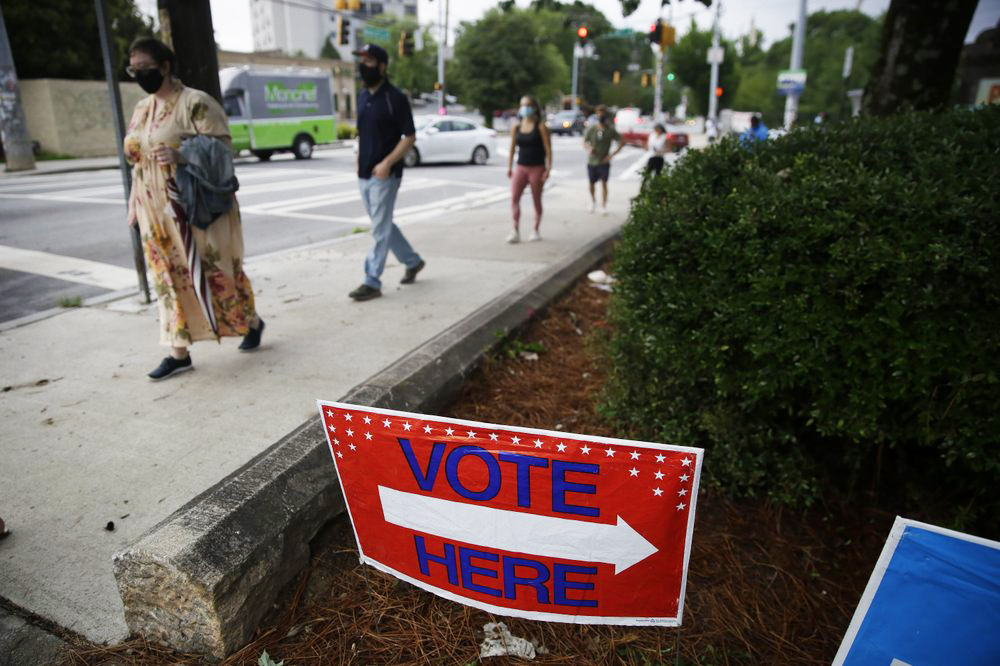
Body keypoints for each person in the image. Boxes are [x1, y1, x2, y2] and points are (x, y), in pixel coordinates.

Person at [124, 37, 264, 381]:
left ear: (165, 66)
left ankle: (252, 322)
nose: (140, 74)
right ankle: (178, 352)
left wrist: (182, 155)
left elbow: (223, 152)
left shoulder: (195, 103)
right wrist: (133, 205)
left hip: (195, 208)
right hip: (154, 209)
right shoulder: (142, 108)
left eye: (145, 67)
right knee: (167, 278)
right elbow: (137, 163)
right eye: (134, 69)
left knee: (218, 271)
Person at [348, 43, 425, 302]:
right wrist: (360, 155)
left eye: (369, 62)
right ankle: (412, 261)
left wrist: (387, 163)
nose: (364, 66)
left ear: (382, 66)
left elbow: (409, 136)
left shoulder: (395, 98)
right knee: (383, 225)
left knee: (379, 229)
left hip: (385, 175)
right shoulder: (362, 96)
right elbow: (363, 133)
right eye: (362, 61)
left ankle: (372, 280)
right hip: (364, 173)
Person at [506, 95, 552, 243]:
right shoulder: (517, 127)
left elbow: (548, 150)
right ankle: (515, 229)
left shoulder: (541, 127)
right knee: (514, 198)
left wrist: (548, 169)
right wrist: (509, 167)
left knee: (536, 200)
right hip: (521, 167)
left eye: (527, 105)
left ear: (534, 108)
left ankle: (536, 229)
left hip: (537, 168)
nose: (524, 108)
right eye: (522, 105)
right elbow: (512, 149)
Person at [582, 106, 623, 215]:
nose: (600, 115)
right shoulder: (592, 129)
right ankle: (592, 201)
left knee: (604, 183)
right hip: (592, 160)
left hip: (604, 161)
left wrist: (611, 155)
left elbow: (621, 141)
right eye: (599, 113)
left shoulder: (610, 129)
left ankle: (603, 205)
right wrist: (589, 148)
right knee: (591, 183)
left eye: (602, 113)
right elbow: (585, 141)